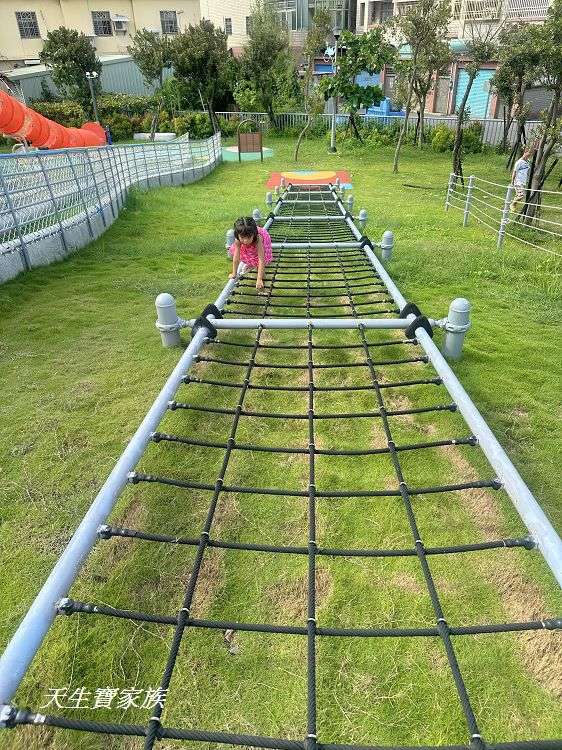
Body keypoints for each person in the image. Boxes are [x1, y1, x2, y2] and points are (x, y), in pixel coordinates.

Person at [228, 216, 272, 292]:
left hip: (261, 242)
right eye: (242, 237)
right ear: (237, 235)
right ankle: (251, 264)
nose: (245, 241)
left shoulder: (258, 239)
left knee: (259, 264)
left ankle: (262, 290)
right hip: (249, 237)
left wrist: (259, 279)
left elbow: (261, 259)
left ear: (253, 234)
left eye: (248, 237)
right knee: (241, 251)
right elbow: (236, 257)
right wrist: (234, 273)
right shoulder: (238, 239)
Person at [510, 148, 533, 213]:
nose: (529, 155)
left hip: (523, 181)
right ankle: (512, 204)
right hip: (518, 181)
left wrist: (536, 141)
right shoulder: (519, 162)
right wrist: (512, 182)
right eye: (528, 154)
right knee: (521, 195)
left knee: (519, 195)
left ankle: (513, 207)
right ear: (524, 153)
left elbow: (533, 149)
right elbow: (514, 172)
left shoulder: (527, 161)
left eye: (530, 154)